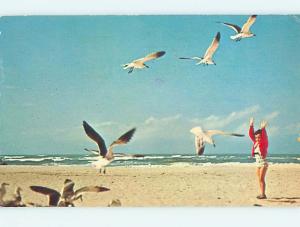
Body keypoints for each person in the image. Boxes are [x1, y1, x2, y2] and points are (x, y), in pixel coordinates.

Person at [248, 117, 268, 199]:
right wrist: (251, 125)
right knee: (259, 180)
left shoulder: (263, 142)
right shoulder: (255, 142)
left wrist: (262, 128)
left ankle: (263, 194)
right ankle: (262, 193)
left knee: (261, 178)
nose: (257, 139)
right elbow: (251, 135)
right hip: (257, 163)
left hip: (263, 162)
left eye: (259, 137)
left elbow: (264, 137)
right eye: (256, 137)